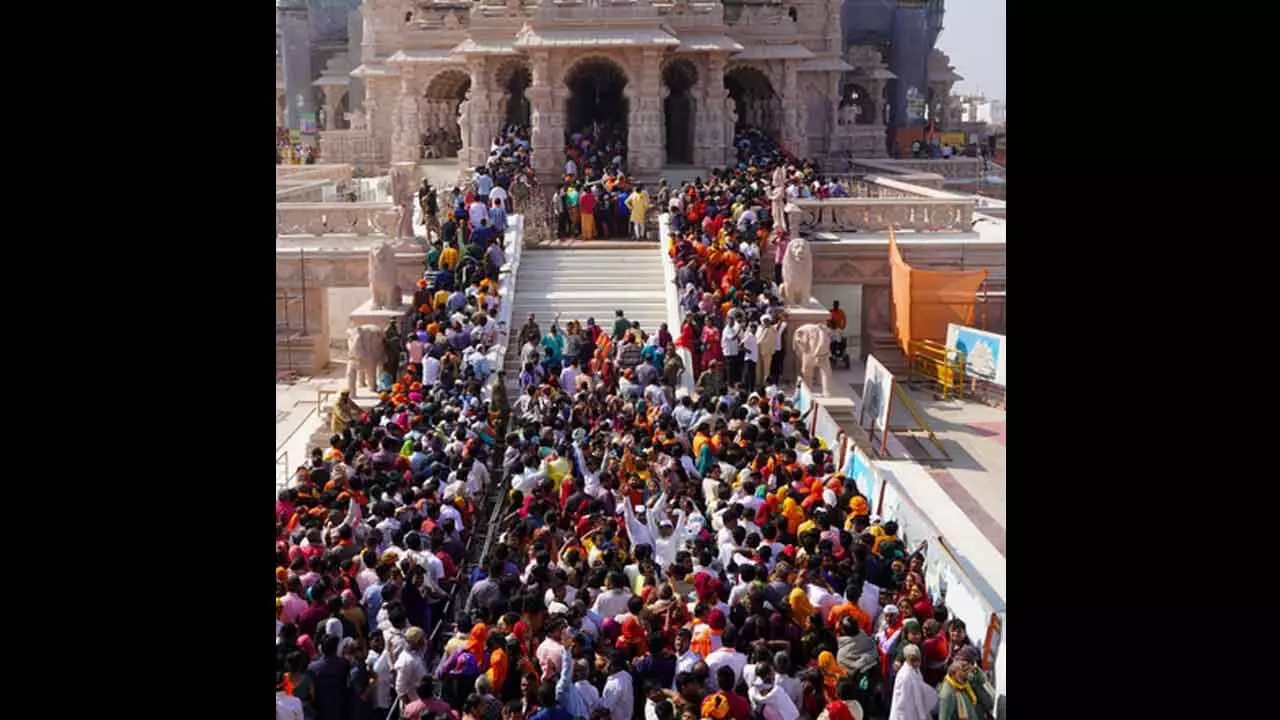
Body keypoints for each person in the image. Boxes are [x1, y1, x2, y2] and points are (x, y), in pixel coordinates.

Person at [887, 645, 936, 720]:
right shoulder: (905, 676)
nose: (916, 663)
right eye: (913, 660)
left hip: (917, 710)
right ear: (906, 658)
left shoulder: (915, 669)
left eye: (918, 659)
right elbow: (902, 703)